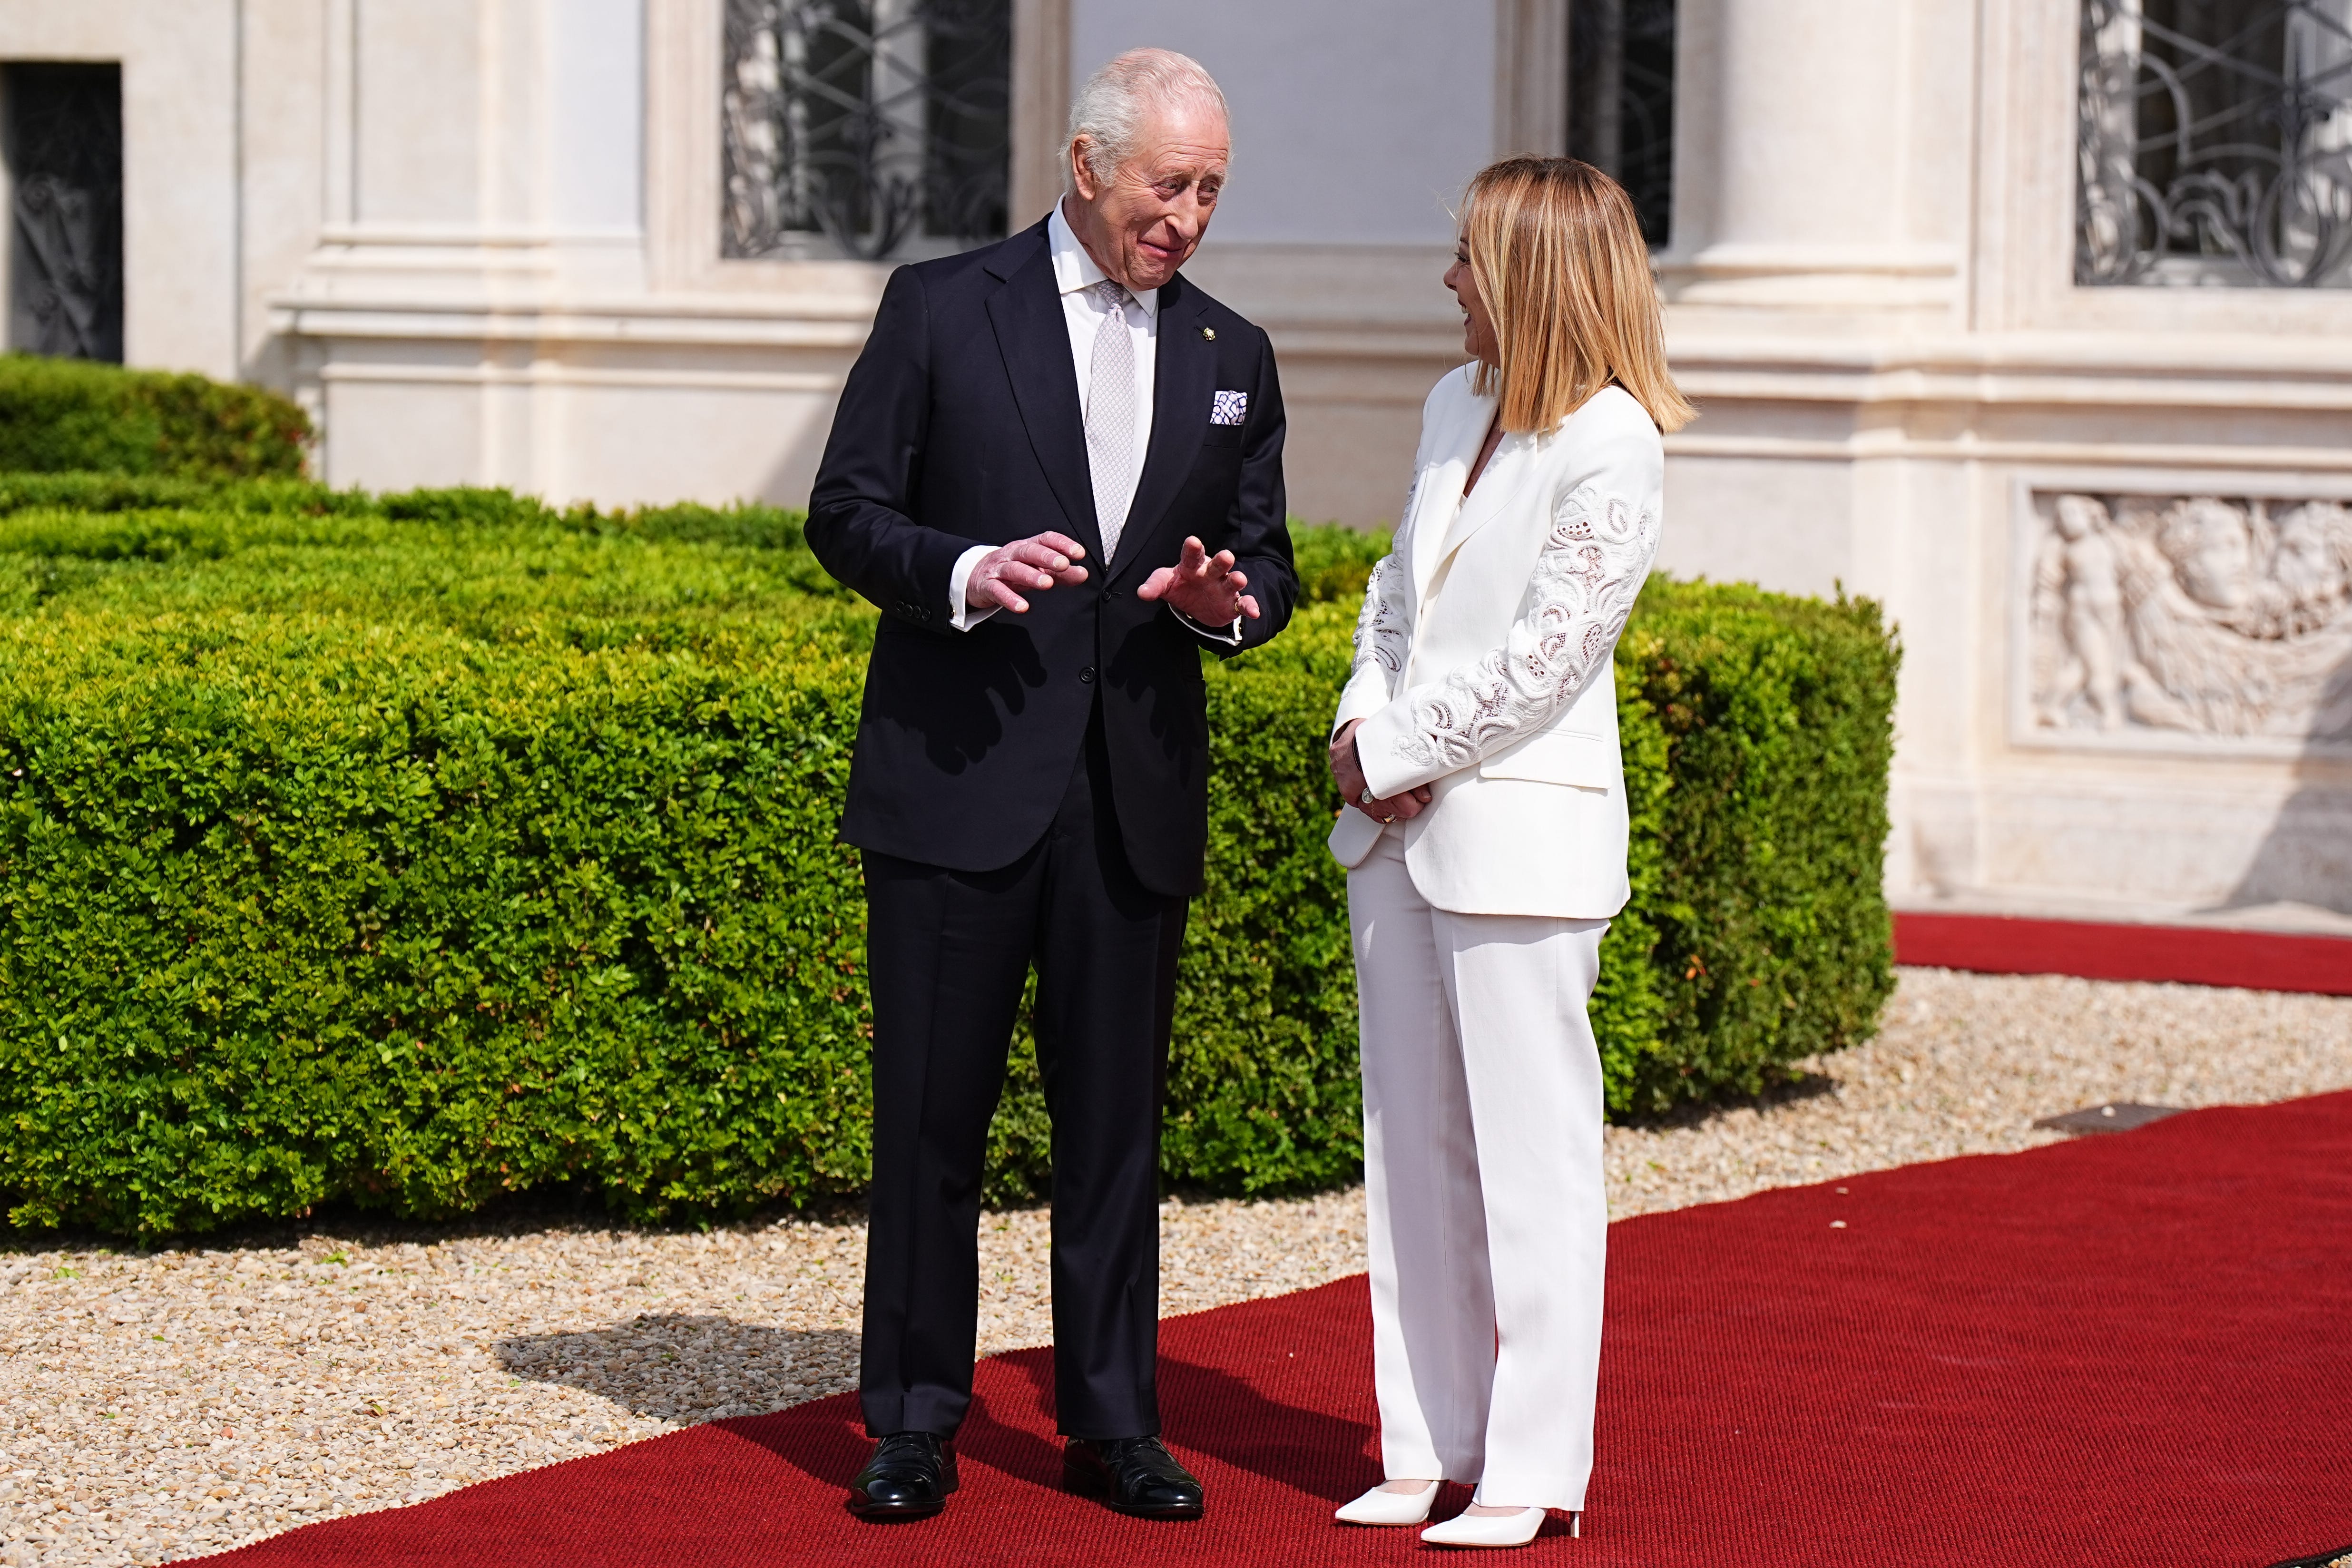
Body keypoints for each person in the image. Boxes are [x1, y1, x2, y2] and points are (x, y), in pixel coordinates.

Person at [804, 48, 1296, 1526]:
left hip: (1131, 803)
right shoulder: (943, 309)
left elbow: (1267, 571)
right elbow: (844, 514)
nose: (1190, 218)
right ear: (1087, 168)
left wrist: (1226, 604)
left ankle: (1114, 1424)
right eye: (1169, 185)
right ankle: (910, 1424)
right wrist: (961, 570)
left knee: (1114, 1139)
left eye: (1211, 189)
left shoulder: (1234, 353)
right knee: (932, 1125)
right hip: (957, 787)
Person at [1323, 157, 1693, 1549]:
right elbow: (1393, 595)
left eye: (1470, 258)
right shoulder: (1449, 403)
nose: (1448, 281)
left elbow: (1554, 650)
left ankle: (1534, 1473)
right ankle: (1427, 1450)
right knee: (1407, 1152)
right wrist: (1364, 722)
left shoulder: (1616, 441)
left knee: (1531, 1162)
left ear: (1532, 274)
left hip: (1521, 839)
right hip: (1400, 831)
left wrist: (1404, 753)